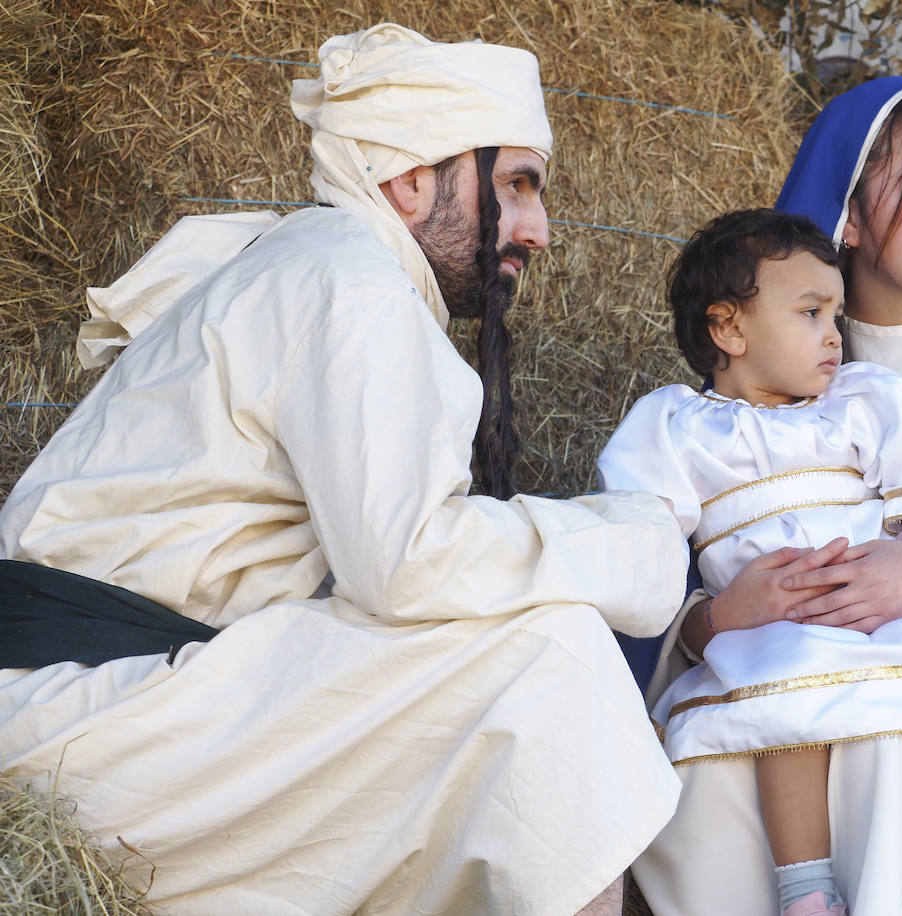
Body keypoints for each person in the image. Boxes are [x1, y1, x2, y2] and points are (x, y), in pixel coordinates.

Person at [0, 24, 687, 915]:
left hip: (125, 704)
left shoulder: (317, 263)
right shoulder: (348, 276)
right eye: (517, 185)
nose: (541, 230)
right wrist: (643, 538)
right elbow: (407, 563)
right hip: (81, 715)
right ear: (408, 181)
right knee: (545, 657)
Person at [598, 208, 902, 916]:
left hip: (882, 606)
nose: (834, 333)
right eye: (810, 312)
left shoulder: (863, 399)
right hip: (780, 623)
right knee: (784, 698)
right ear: (729, 328)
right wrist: (724, 614)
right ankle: (807, 891)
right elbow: (637, 543)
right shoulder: (672, 426)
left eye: (836, 312)